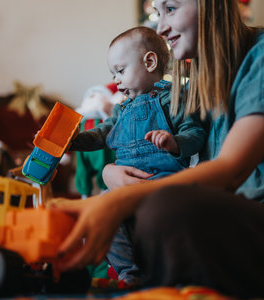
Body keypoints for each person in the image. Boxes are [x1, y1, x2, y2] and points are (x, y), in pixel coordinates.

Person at [50, 0, 264, 298]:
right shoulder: (200, 82)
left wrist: (120, 201)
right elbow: (162, 154)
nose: (161, 27)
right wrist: (111, 173)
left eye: (171, 9)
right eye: (158, 12)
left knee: (165, 211)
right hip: (241, 224)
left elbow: (231, 169)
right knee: (146, 218)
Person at [68, 26, 207, 285]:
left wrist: (175, 142)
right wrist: (73, 141)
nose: (116, 80)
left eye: (120, 71)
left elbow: (195, 133)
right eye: (113, 74)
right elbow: (101, 134)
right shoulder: (122, 110)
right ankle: (127, 274)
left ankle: (174, 273)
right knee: (101, 211)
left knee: (169, 223)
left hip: (164, 182)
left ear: (150, 62)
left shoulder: (173, 98)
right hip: (123, 188)